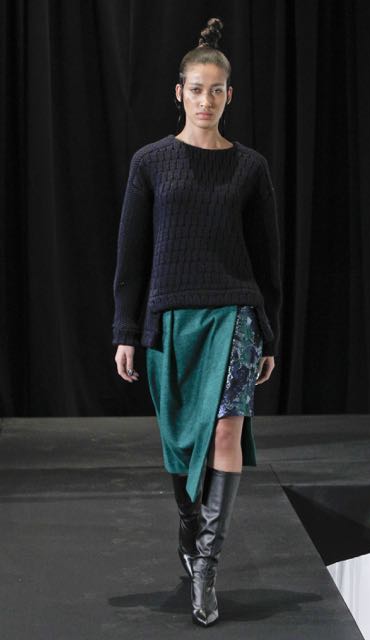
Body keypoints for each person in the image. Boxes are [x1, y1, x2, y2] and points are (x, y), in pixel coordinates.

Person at [111, 17, 282, 627]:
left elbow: (267, 258)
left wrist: (268, 332)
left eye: (216, 91)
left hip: (234, 314)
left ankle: (207, 564)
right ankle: (189, 529)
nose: (205, 100)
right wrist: (126, 330)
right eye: (195, 89)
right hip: (170, 317)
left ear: (229, 96)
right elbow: (132, 254)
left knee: (226, 433)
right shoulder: (151, 163)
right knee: (182, 441)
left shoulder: (250, 168)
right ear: (178, 92)